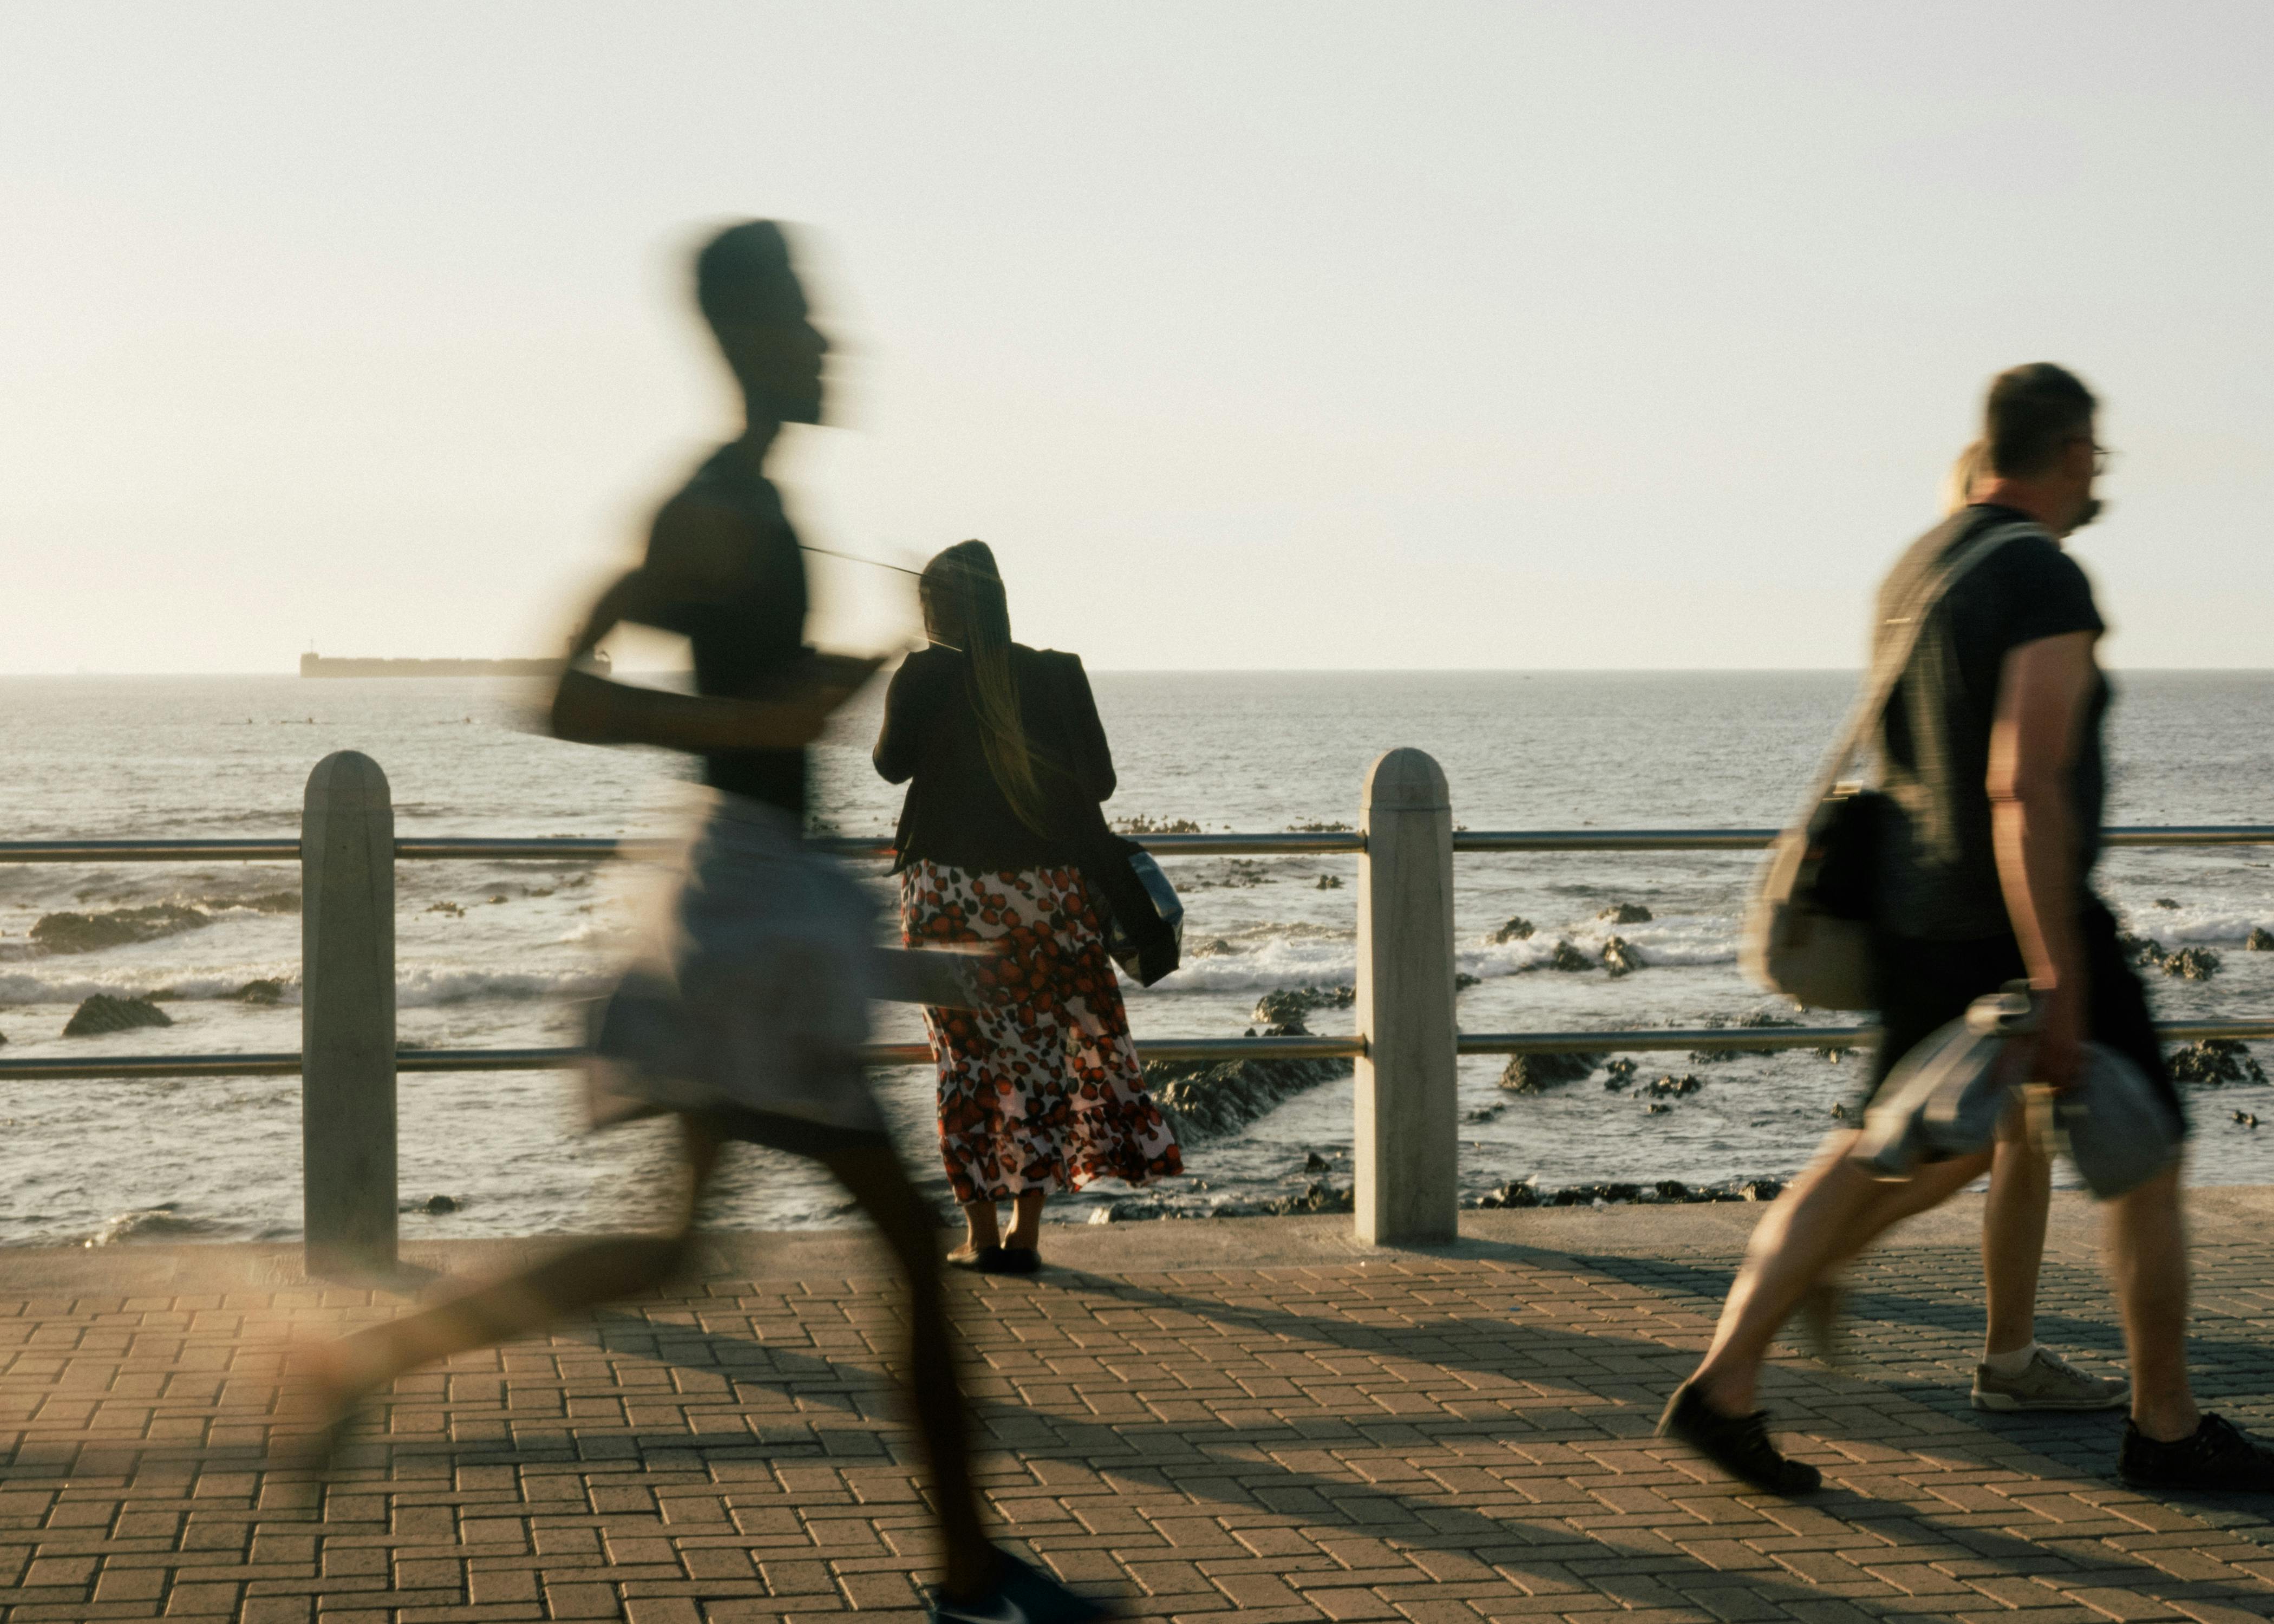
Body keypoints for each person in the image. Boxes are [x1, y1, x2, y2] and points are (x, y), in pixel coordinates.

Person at [286, 222, 1109, 1624]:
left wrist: (809, 691)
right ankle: (972, 1581)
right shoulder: (717, 504)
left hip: (759, 889)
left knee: (680, 1248)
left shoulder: (760, 500)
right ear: (741, 334)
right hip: (743, 896)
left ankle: (356, 1365)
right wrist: (765, 716)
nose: (828, 338)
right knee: (904, 1243)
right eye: (800, 313)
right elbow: (554, 690)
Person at [1661, 363, 2274, 1495]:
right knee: (2148, 1159)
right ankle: (2170, 1428)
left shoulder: (1918, 568)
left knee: (1881, 1153)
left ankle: (1723, 1383)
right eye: (2097, 457)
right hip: (2024, 915)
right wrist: (2055, 969)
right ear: (2074, 450)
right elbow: (2020, 783)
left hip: (1916, 911)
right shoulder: (2044, 576)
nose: (2100, 478)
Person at [1796, 437, 2126, 1419]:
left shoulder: (1926, 580)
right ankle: (1815, 1266)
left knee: (2005, 1138)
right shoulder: (2019, 578)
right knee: (1955, 1140)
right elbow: (2015, 779)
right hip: (1983, 918)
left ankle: (2009, 1356)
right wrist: (2049, 946)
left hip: (1940, 903)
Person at [874, 541, 1182, 1273]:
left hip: (948, 896)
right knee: (1039, 1063)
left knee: (965, 1065)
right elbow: (1099, 785)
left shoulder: (925, 674)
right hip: (1046, 898)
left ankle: (979, 1234)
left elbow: (890, 765)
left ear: (939, 610)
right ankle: (1025, 1237)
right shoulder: (1057, 673)